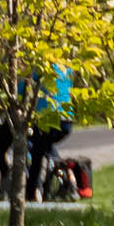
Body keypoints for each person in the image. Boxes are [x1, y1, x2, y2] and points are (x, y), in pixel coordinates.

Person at [27, 61, 75, 202]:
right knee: (46, 145)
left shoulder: (40, 67)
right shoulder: (67, 67)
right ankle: (69, 175)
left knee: (36, 153)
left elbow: (23, 89)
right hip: (67, 121)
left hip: (47, 119)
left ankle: (32, 194)